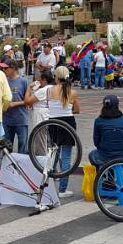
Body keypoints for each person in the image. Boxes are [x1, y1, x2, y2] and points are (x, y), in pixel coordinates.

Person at [47, 66, 81, 198]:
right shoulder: (72, 92)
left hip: (53, 122)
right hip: (68, 123)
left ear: (56, 76)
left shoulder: (50, 90)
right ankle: (62, 189)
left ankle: (49, 182)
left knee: (53, 153)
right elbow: (77, 110)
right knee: (66, 156)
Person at [90, 94, 123, 167]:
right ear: (117, 106)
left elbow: (96, 142)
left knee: (91, 155)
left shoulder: (98, 121)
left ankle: (101, 174)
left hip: (104, 156)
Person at [1, 60, 30, 154]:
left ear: (13, 68)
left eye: (6, 68)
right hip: (6, 120)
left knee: (23, 147)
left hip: (21, 119)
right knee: (6, 147)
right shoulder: (3, 81)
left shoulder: (24, 81)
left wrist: (14, 104)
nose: (3, 70)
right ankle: (7, 168)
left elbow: (29, 101)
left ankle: (22, 168)